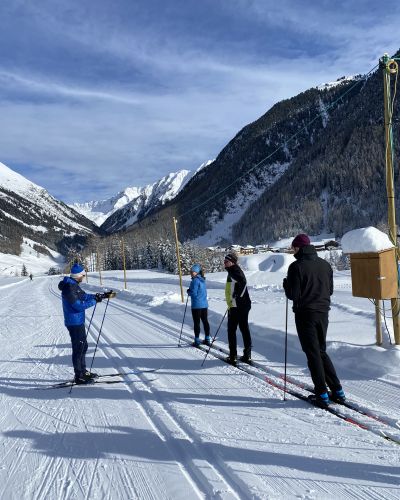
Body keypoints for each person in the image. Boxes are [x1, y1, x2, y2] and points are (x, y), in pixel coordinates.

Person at [283, 234, 346, 407]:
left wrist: (286, 285)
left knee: (313, 353)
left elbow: (293, 295)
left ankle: (321, 394)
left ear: (299, 248)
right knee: (321, 351)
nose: (293, 250)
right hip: (323, 312)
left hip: (305, 314)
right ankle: (338, 391)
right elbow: (330, 290)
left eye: (294, 248)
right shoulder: (325, 265)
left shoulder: (296, 267)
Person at [58, 263, 104, 384]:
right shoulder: (68, 288)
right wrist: (95, 301)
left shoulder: (74, 285)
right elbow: (78, 306)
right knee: (78, 348)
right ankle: (79, 376)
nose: (83, 277)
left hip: (78, 321)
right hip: (73, 322)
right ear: (78, 275)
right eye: (82, 275)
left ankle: (83, 371)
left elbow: (83, 296)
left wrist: (98, 296)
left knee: (83, 346)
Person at [224, 253, 252, 365]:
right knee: (244, 329)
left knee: (232, 331)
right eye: (224, 261)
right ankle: (247, 355)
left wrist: (237, 294)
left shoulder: (234, 271)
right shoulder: (233, 270)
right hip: (240, 305)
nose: (224, 262)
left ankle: (233, 356)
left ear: (233, 262)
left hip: (237, 306)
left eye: (227, 261)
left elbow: (243, 283)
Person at [187, 263, 211, 347]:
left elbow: (193, 293)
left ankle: (197, 340)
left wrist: (188, 292)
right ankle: (207, 338)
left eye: (193, 271)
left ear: (196, 272)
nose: (191, 272)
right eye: (191, 271)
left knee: (196, 323)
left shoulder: (195, 281)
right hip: (204, 305)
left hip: (196, 305)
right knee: (205, 321)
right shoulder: (202, 280)